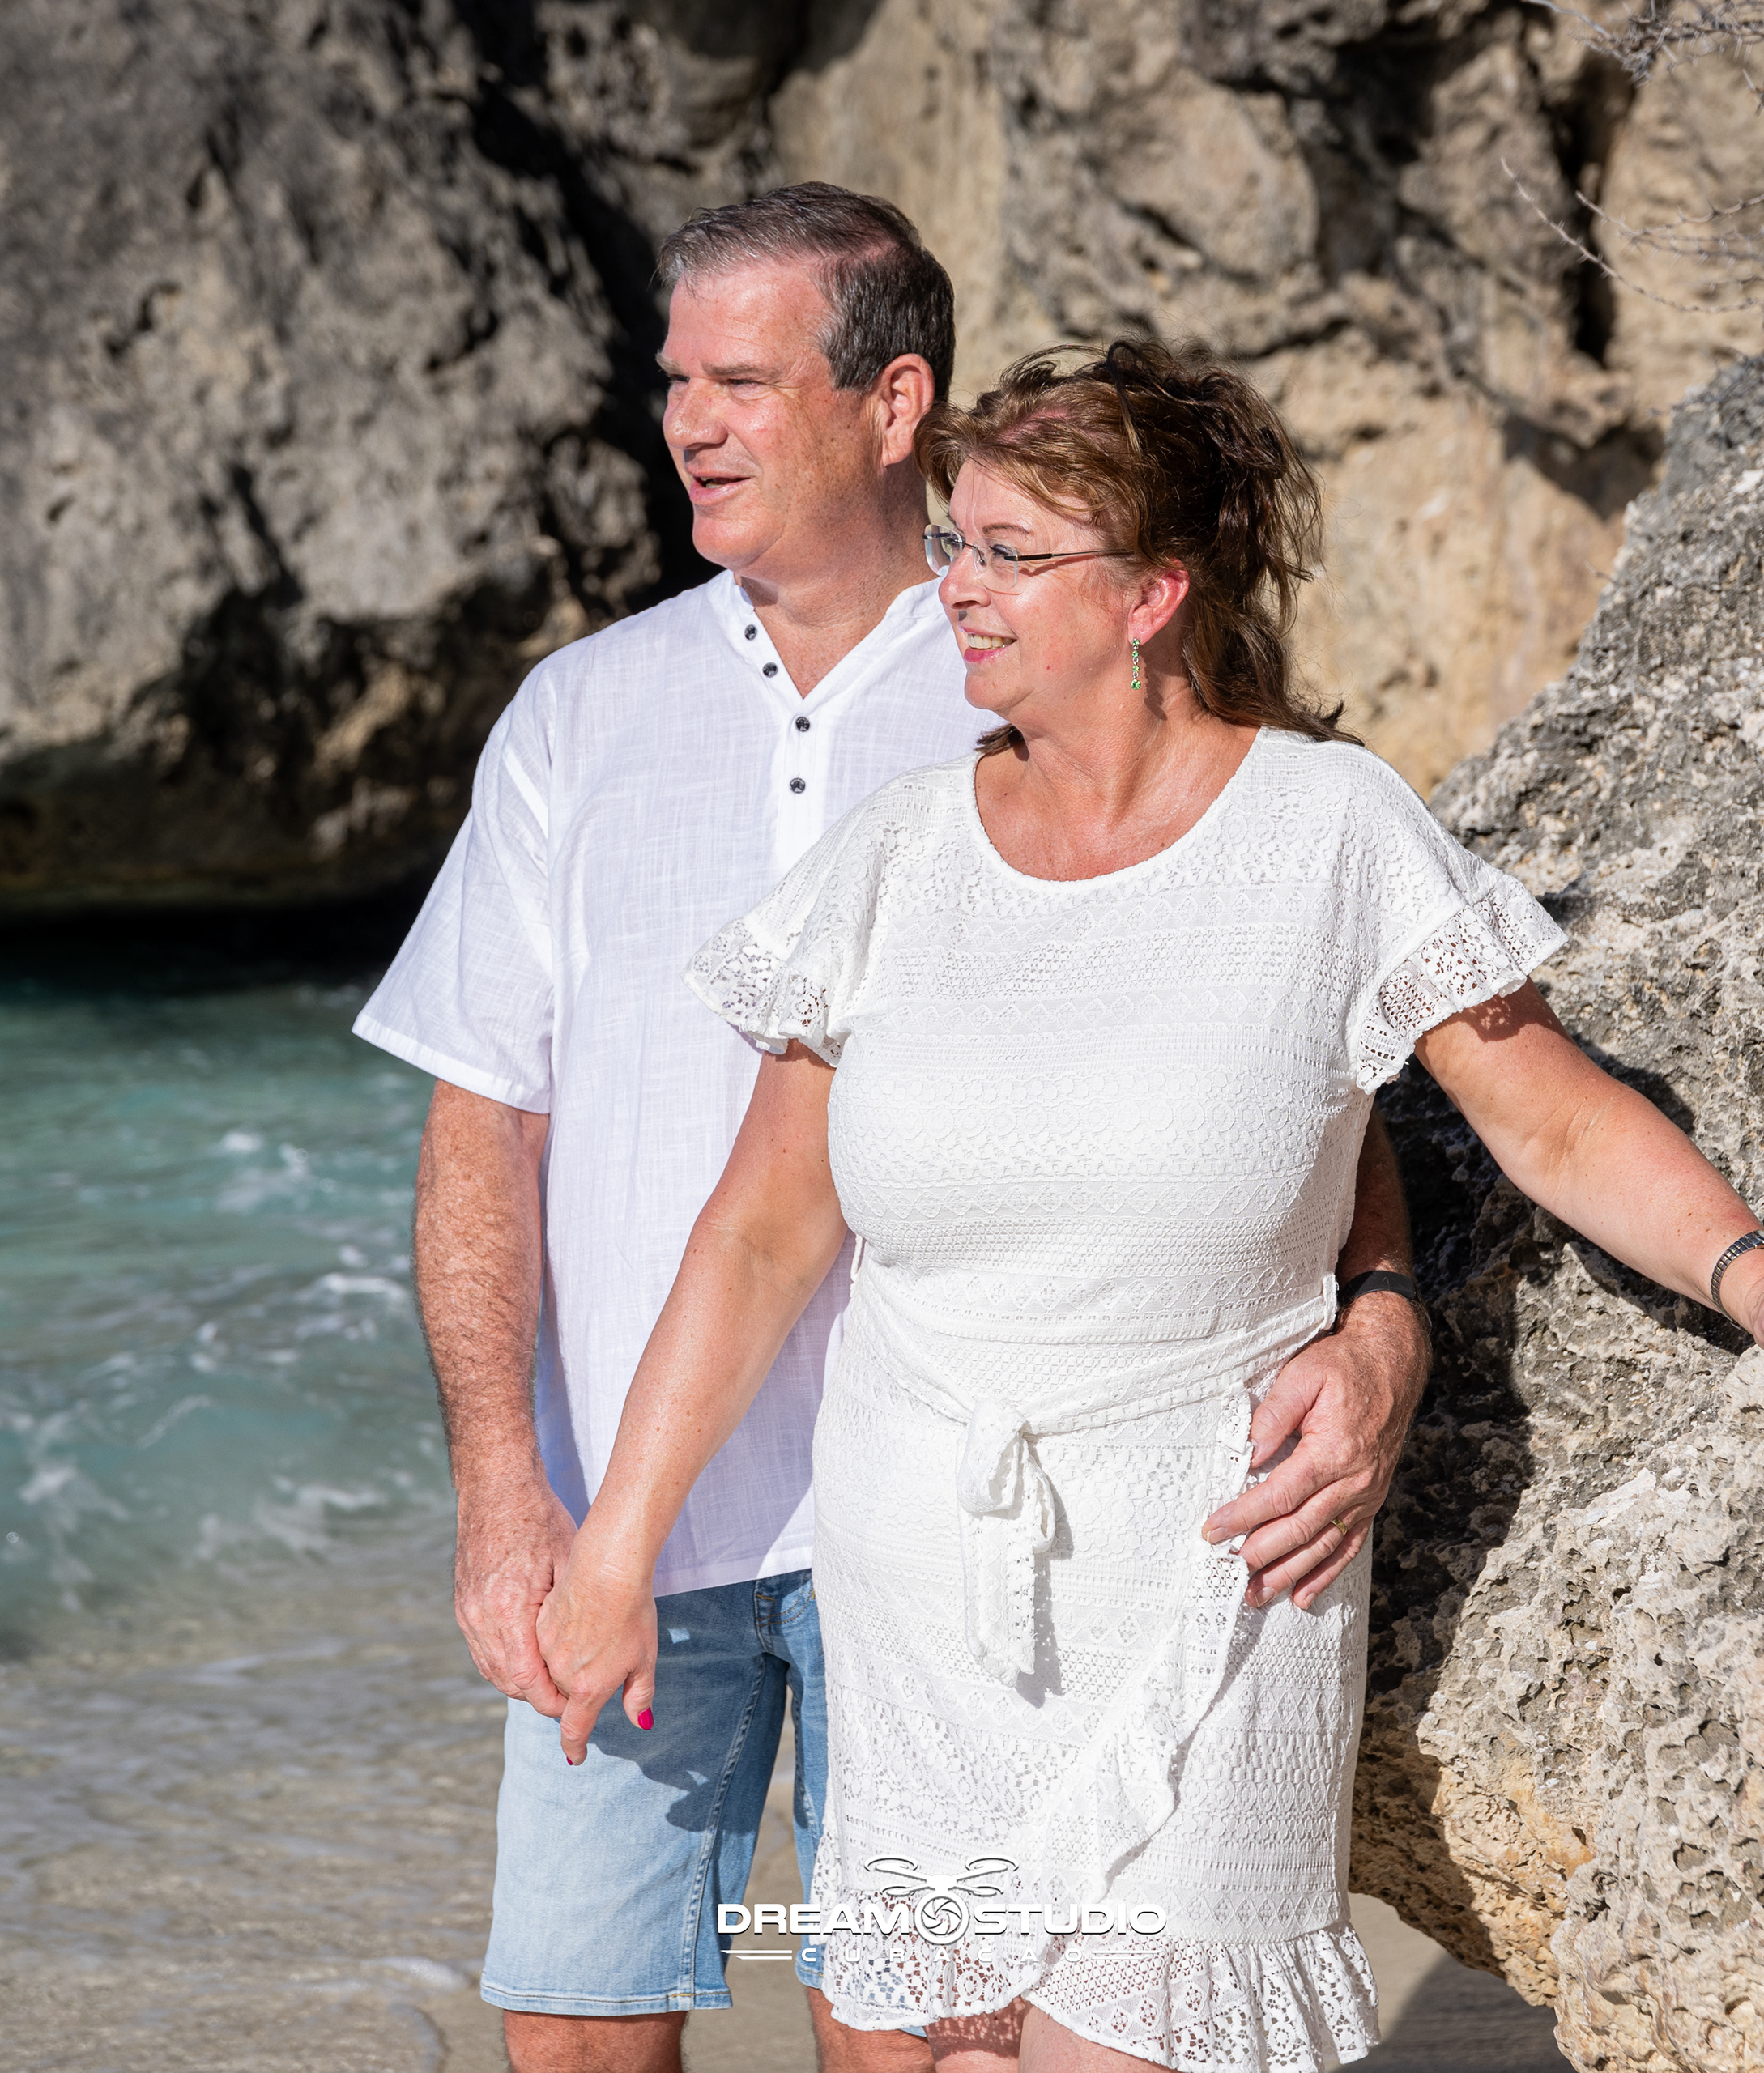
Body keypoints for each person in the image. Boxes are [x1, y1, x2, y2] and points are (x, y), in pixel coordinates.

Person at [532, 340, 1764, 2073]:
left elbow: (1549, 1116)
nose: (957, 587)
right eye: (954, 541)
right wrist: (616, 1548)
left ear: (1154, 592)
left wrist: (1751, 1266)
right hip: (921, 1586)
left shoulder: (1329, 832)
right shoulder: (895, 852)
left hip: (1218, 1566)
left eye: (1011, 552)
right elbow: (756, 1237)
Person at [354, 192, 1433, 2073]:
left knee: (918, 2041)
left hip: (954, 1541)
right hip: (632, 1516)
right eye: (676, 378)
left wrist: (1383, 1311)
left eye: (742, 379)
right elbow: (482, 1119)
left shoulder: (1034, 680)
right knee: (570, 2025)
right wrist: (504, 1490)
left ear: (893, 401)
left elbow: (1281, 1046)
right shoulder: (576, 714)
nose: (689, 421)